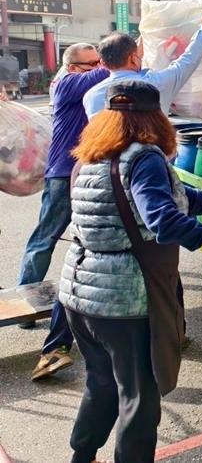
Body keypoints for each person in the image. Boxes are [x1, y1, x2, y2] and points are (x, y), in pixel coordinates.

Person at [59, 80, 202, 463]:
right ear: (155, 116)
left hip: (79, 293)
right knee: (139, 394)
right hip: (124, 300)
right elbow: (163, 218)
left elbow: (171, 193)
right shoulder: (144, 157)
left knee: (102, 383)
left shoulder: (93, 157)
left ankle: (82, 456)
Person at [16, 43, 107, 381]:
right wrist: (125, 54)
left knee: (84, 242)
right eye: (91, 63)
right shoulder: (68, 83)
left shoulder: (84, 81)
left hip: (83, 172)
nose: (98, 66)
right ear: (73, 67)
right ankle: (26, 301)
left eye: (99, 60)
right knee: (46, 237)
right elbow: (110, 69)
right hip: (61, 174)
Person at [83, 8, 202, 120]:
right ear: (133, 57)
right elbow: (189, 59)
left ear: (103, 64)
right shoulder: (155, 84)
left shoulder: (91, 96)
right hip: (151, 154)